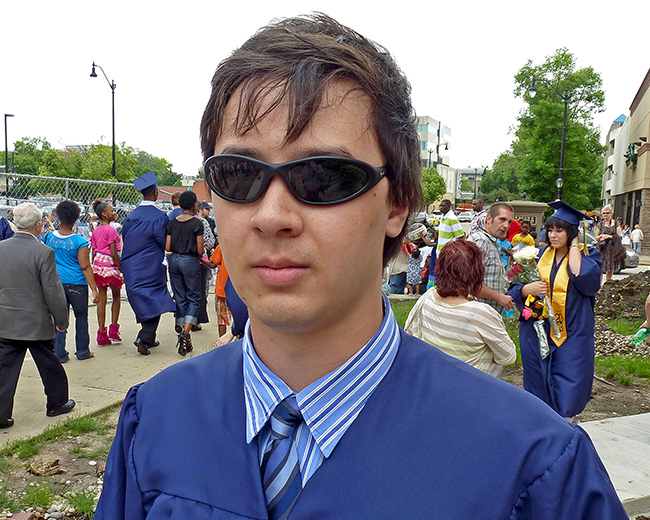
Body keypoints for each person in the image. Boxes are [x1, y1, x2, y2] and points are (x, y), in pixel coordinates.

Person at [96, 14, 627, 519]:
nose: (272, 216)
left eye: (323, 176)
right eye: (239, 174)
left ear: (396, 205)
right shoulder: (158, 419)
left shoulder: (533, 467)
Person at [509, 201, 601, 421]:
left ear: (571, 232)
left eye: (560, 230)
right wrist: (525, 290)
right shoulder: (536, 256)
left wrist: (575, 245)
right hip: (538, 331)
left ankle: (565, 426)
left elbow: (581, 276)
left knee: (569, 384)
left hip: (572, 332)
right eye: (550, 229)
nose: (553, 235)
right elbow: (513, 285)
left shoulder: (588, 256)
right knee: (538, 384)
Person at [0, 203, 76, 428]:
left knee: (4, 370)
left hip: (6, 321)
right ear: (38, 225)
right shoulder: (43, 253)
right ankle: (57, 403)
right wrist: (61, 320)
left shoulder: (1, 248)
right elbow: (53, 291)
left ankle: (1, 414)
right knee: (50, 365)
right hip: (36, 322)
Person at [405, 240, 516, 377]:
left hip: (433, 378)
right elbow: (508, 356)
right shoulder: (481, 314)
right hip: (469, 387)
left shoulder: (428, 297)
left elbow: (411, 332)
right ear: (476, 275)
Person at [121, 171, 176, 356]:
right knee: (155, 298)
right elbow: (163, 241)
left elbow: (126, 237)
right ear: (155, 193)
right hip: (151, 265)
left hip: (131, 265)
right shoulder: (160, 217)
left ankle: (148, 338)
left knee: (145, 300)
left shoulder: (131, 216)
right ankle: (144, 337)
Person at [43, 200, 100, 362]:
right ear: (76, 220)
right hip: (77, 283)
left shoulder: (48, 238)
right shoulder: (79, 242)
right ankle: (82, 351)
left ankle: (59, 353)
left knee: (59, 317)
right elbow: (85, 266)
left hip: (56, 283)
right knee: (81, 317)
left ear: (58, 218)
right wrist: (94, 289)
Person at [166, 190, 204, 355]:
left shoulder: (172, 223)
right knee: (194, 298)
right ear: (194, 205)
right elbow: (201, 249)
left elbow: (167, 247)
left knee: (180, 297)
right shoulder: (197, 224)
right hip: (190, 261)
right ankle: (185, 333)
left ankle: (183, 331)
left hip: (173, 260)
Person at [467, 202, 515, 314]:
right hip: (476, 315)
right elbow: (469, 284)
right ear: (489, 219)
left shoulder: (492, 242)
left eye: (509, 222)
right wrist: (499, 297)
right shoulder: (480, 242)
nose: (506, 225)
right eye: (502, 219)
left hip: (487, 316)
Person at [90, 199, 123, 345]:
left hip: (98, 265)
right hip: (110, 265)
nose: (114, 212)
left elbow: (94, 250)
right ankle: (114, 329)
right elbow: (114, 252)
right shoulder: (111, 230)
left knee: (102, 300)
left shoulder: (96, 231)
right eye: (111, 211)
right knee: (116, 296)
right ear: (104, 214)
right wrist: (120, 267)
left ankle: (101, 333)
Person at [202, 244, 232, 337]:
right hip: (239, 290)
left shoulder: (221, 247)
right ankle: (239, 341)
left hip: (222, 289)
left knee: (222, 319)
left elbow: (213, 264)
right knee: (240, 319)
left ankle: (222, 344)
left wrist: (200, 260)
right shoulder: (243, 246)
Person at [595, 204, 624, 284]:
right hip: (602, 249)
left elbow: (619, 236)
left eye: (607, 213)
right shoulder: (600, 224)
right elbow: (596, 237)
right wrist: (601, 236)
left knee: (610, 269)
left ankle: (606, 285)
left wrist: (609, 236)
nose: (605, 215)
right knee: (600, 268)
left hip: (612, 249)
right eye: (603, 213)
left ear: (611, 213)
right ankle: (599, 286)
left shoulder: (616, 223)